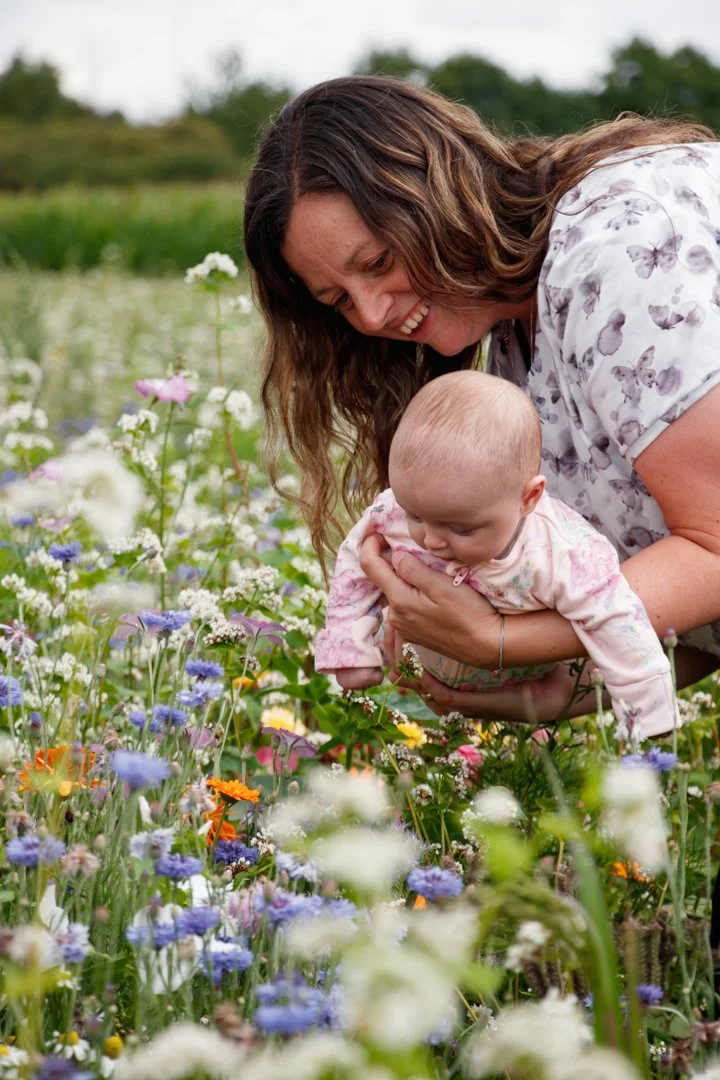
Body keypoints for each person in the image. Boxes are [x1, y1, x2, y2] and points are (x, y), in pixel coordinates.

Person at [243, 74, 720, 724]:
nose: (374, 312)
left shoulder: (614, 261)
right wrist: (557, 693)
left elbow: (714, 543)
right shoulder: (512, 354)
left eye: (379, 261)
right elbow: (689, 596)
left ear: (436, 198)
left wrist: (501, 641)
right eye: (339, 301)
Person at [314, 370, 677, 738]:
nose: (432, 541)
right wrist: (349, 643)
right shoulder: (393, 511)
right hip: (417, 665)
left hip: (520, 682)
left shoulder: (562, 552)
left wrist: (645, 713)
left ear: (528, 499)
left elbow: (616, 618)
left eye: (461, 528)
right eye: (417, 517)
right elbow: (355, 563)